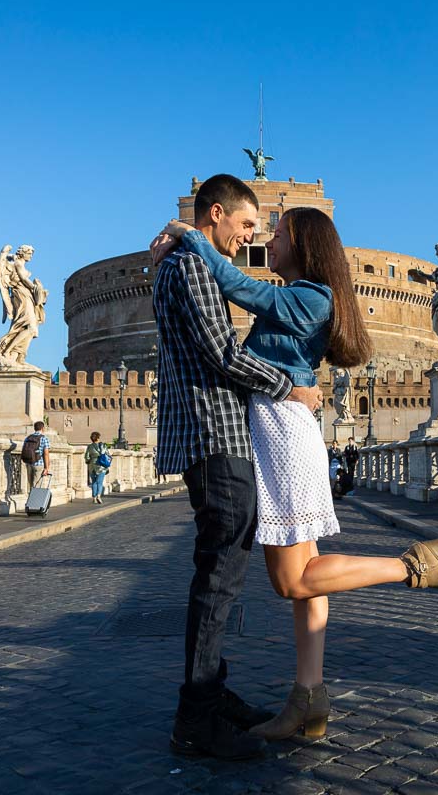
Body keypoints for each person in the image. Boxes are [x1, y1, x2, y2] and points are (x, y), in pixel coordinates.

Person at [151, 205, 438, 745]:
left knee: (291, 579)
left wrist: (188, 236)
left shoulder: (311, 296)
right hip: (283, 424)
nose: (266, 245)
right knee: (309, 573)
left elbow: (241, 288)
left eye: (277, 237)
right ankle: (309, 697)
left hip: (280, 430)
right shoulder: (310, 296)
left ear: (304, 246)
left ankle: (412, 566)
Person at [152, 174, 324, 761]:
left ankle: (212, 696)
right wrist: (291, 389)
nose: (251, 237)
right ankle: (196, 720)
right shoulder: (193, 266)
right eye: (246, 225)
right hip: (214, 435)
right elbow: (223, 354)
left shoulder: (177, 263)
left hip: (212, 434)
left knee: (219, 578)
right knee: (218, 581)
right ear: (217, 214)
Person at [21, 421, 50, 489]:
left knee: (29, 484)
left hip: (28, 463)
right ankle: (35, 499)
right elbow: (46, 454)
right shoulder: (44, 438)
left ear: (34, 428)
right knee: (37, 485)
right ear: (43, 428)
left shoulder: (28, 438)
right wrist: (46, 467)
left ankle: (30, 498)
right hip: (38, 464)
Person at [84, 432, 111, 503]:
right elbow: (108, 454)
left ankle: (94, 497)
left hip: (92, 465)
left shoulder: (89, 446)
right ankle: (98, 495)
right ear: (98, 438)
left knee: (94, 482)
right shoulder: (103, 446)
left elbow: (86, 456)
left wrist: (88, 461)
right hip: (101, 465)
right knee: (100, 482)